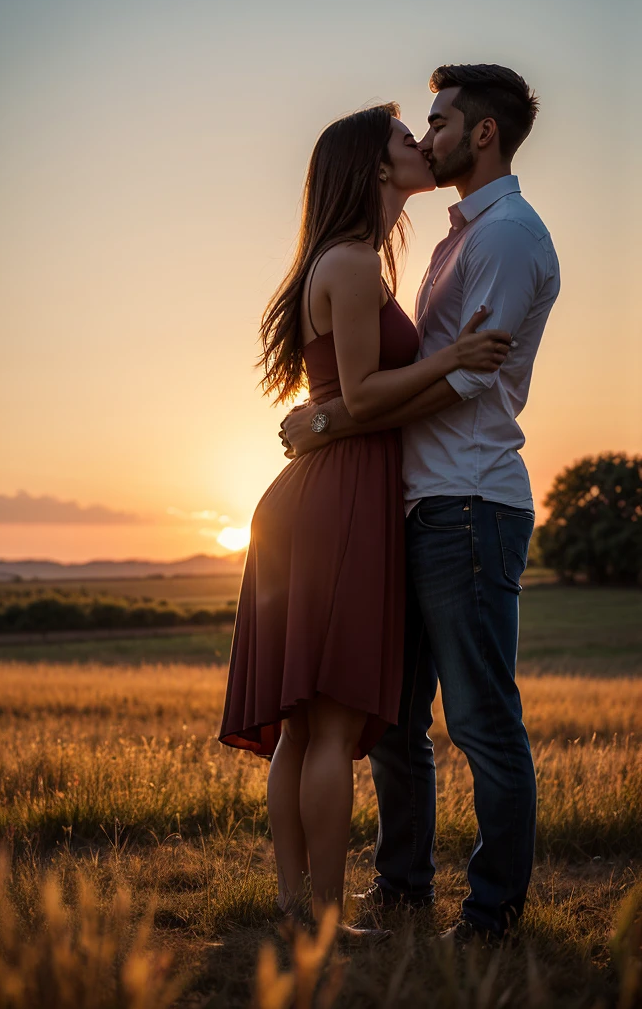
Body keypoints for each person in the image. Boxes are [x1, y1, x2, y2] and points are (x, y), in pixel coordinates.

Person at [281, 64, 561, 946]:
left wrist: (333, 419)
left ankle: (491, 913)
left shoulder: (508, 235)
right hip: (414, 502)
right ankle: (402, 888)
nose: (425, 137)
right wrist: (343, 414)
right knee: (398, 725)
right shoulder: (449, 239)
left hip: (470, 500)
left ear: (481, 134)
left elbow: (471, 375)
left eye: (436, 122)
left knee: (482, 720)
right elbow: (399, 373)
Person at [219, 101, 511, 935]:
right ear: (376, 168)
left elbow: (339, 401)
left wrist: (331, 416)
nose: (418, 145)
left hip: (327, 489)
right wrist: (453, 356)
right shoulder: (350, 264)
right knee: (330, 716)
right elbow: (362, 392)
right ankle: (321, 916)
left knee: (306, 723)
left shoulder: (350, 261)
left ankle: (295, 908)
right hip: (339, 497)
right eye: (400, 138)